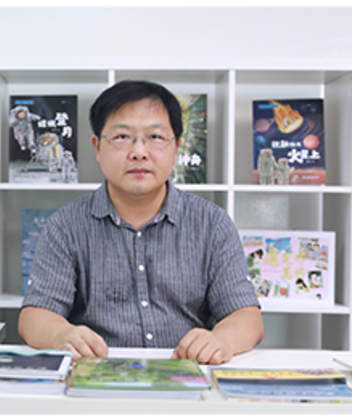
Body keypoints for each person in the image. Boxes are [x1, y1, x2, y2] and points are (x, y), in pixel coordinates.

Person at [18, 80, 264, 365]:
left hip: (187, 373)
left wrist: (222, 340)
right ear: (97, 147)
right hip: (97, 376)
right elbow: (35, 316)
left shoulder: (212, 224)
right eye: (122, 136)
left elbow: (246, 315)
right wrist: (61, 335)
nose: (139, 152)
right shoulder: (66, 225)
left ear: (176, 147)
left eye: (155, 137)